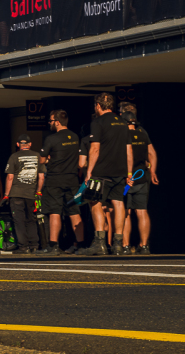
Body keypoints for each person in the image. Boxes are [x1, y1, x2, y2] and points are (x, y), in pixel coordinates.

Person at [78, 92, 133, 256]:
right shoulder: (123, 123)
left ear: (98, 105)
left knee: (94, 203)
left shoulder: (98, 122)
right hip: (120, 170)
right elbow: (128, 150)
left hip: (101, 171)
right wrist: (129, 173)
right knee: (118, 203)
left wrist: (89, 172)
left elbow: (95, 148)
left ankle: (100, 243)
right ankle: (118, 243)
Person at [41, 110, 85, 254]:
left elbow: (41, 160)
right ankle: (81, 244)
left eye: (51, 121)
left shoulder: (51, 139)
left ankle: (53, 245)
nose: (50, 123)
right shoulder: (75, 137)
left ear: (57, 122)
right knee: (74, 212)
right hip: (72, 179)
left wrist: (48, 159)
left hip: (55, 179)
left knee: (55, 212)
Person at [120, 103, 158, 255]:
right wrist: (153, 172)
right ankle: (144, 245)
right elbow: (152, 153)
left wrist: (126, 175)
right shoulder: (143, 133)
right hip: (142, 177)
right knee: (142, 211)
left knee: (126, 213)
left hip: (127, 179)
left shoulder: (123, 136)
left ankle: (125, 245)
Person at [4, 135, 46, 255]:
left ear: (18, 145)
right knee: (31, 220)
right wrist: (38, 191)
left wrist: (6, 194)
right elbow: (41, 177)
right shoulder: (38, 156)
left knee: (19, 221)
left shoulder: (14, 156)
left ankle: (23, 247)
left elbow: (10, 177)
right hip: (31, 194)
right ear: (30, 144)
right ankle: (34, 245)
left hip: (16, 194)